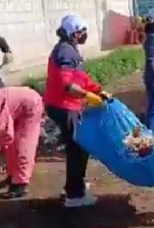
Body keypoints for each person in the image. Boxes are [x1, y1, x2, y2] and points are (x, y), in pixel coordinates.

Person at [43, 14, 106, 208]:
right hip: (63, 105)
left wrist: (97, 89)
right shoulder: (65, 52)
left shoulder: (70, 49)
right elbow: (67, 85)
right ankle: (75, 195)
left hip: (66, 104)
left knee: (79, 146)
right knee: (77, 148)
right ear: (75, 33)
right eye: (83, 31)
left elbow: (80, 77)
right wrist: (88, 96)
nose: (85, 34)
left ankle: (75, 185)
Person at [0, 83, 44, 199]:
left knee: (23, 145)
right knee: (11, 148)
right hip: (15, 107)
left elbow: (6, 134)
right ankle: (13, 176)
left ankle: (20, 184)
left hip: (31, 105)